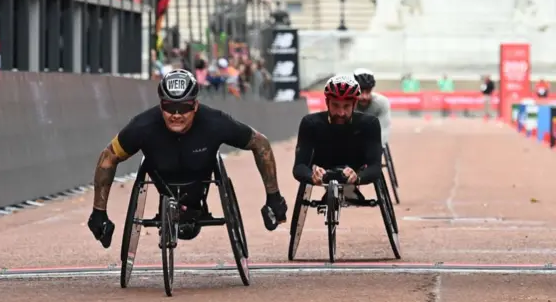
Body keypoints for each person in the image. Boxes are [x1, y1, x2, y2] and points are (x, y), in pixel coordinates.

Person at [87, 69, 288, 247]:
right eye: (169, 107)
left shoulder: (215, 122)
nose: (176, 115)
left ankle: (190, 208)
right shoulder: (142, 127)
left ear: (195, 106)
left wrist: (273, 197)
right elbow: (108, 157)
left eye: (183, 108)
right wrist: (99, 212)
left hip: (198, 188)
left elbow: (260, 143)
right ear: (160, 105)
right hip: (163, 182)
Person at [292, 74, 383, 203]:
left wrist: (358, 177)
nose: (341, 113)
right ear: (327, 102)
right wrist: (311, 175)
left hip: (355, 167)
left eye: (346, 106)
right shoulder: (310, 123)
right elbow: (299, 166)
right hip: (324, 166)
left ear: (354, 104)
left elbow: (375, 167)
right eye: (335, 105)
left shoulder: (369, 124)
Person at [353, 68, 392, 147]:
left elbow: (383, 130)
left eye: (368, 91)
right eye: (360, 91)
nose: (364, 97)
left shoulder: (382, 103)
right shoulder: (345, 104)